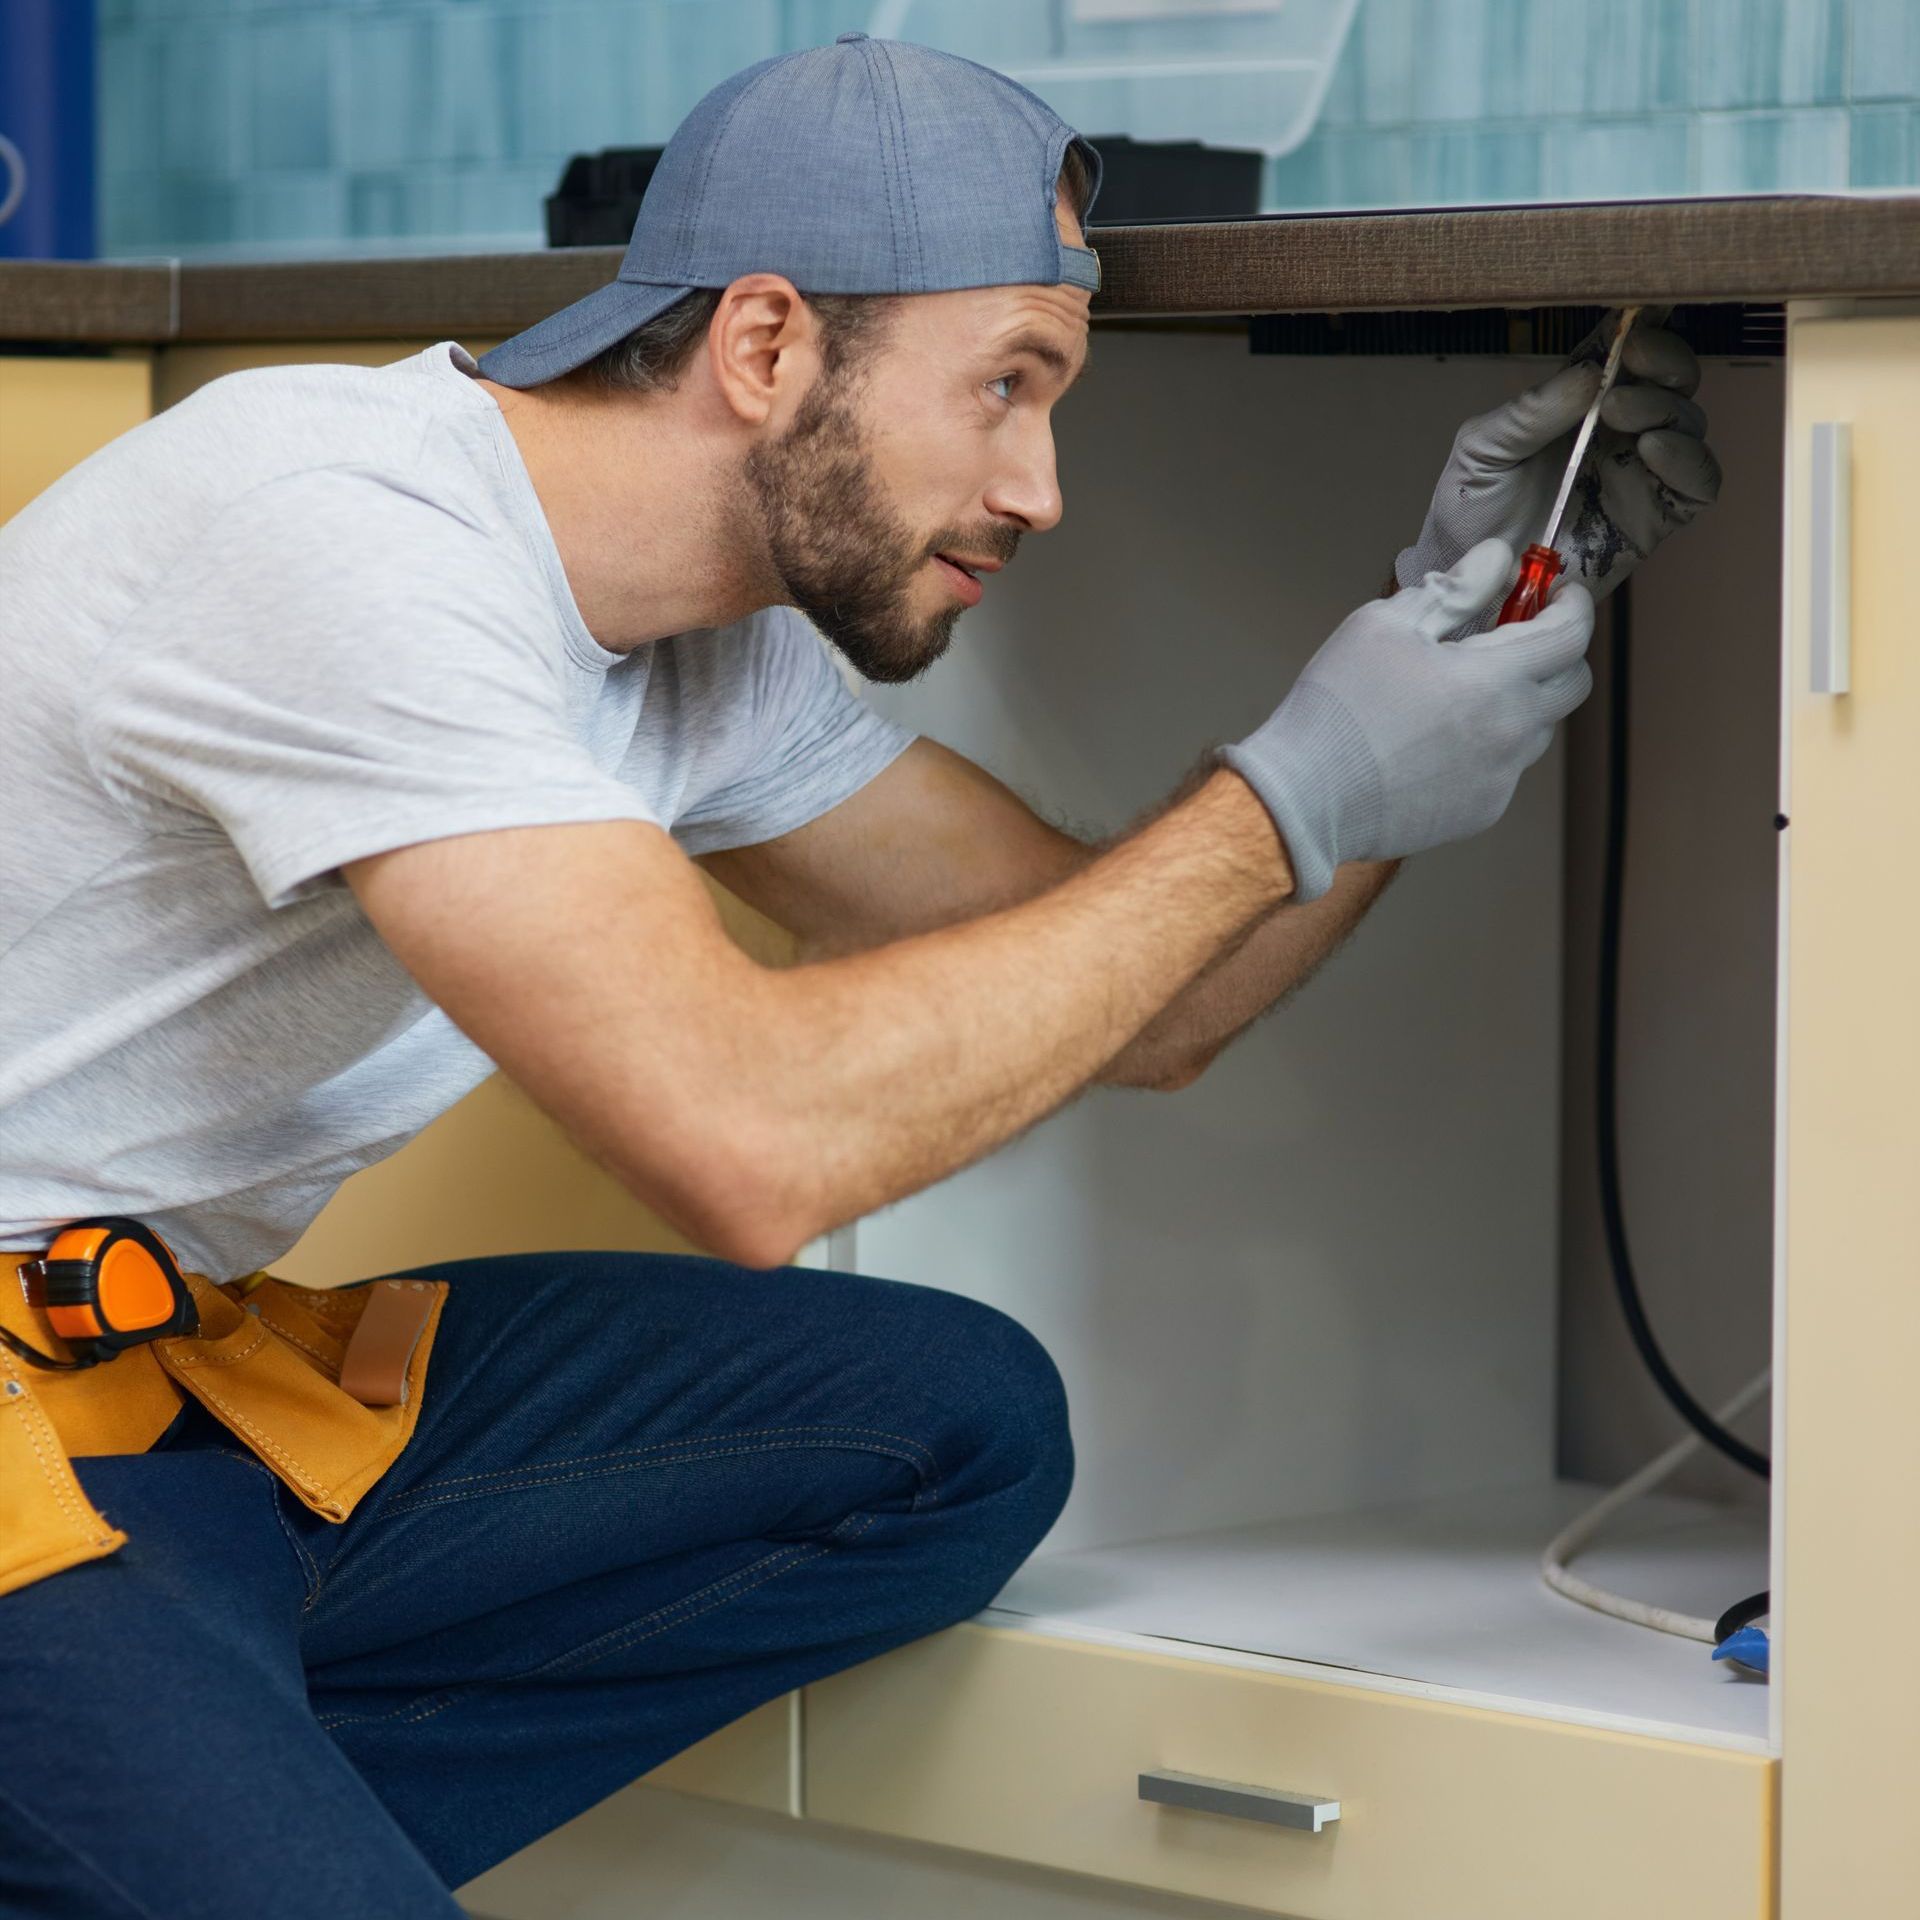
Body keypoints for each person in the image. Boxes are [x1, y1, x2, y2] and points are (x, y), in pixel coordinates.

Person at [0, 33, 1720, 1917]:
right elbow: (746, 1143)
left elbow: (1144, 1001)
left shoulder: (697, 651)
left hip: (159, 1388)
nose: (1038, 484)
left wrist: (1415, 684)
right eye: (1006, 386)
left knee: (952, 1428)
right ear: (763, 346)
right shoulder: (342, 538)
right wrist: (1280, 795)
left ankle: (190, 1810)